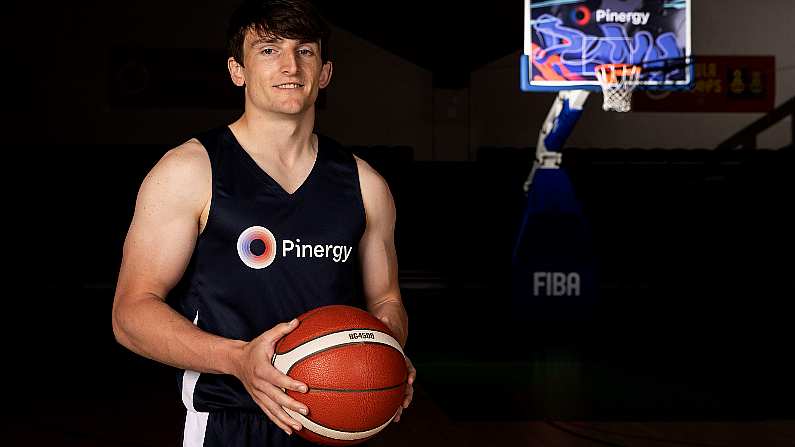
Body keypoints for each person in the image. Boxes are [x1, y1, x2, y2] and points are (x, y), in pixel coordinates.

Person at [110, 1, 415, 445]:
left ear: (325, 72)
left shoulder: (365, 185)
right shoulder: (190, 170)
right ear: (238, 70)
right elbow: (130, 313)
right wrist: (237, 359)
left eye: (305, 51)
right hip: (227, 423)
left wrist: (386, 349)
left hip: (334, 424)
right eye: (269, 50)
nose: (290, 65)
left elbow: (386, 300)